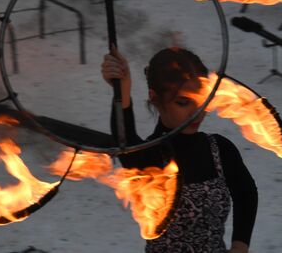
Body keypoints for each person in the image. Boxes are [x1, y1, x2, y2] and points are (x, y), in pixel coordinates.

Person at [101, 45, 257, 253]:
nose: (196, 113)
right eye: (183, 103)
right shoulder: (150, 156)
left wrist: (240, 244)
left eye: (201, 102)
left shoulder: (219, 149)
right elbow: (125, 141)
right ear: (155, 98)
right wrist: (122, 90)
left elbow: (246, 193)